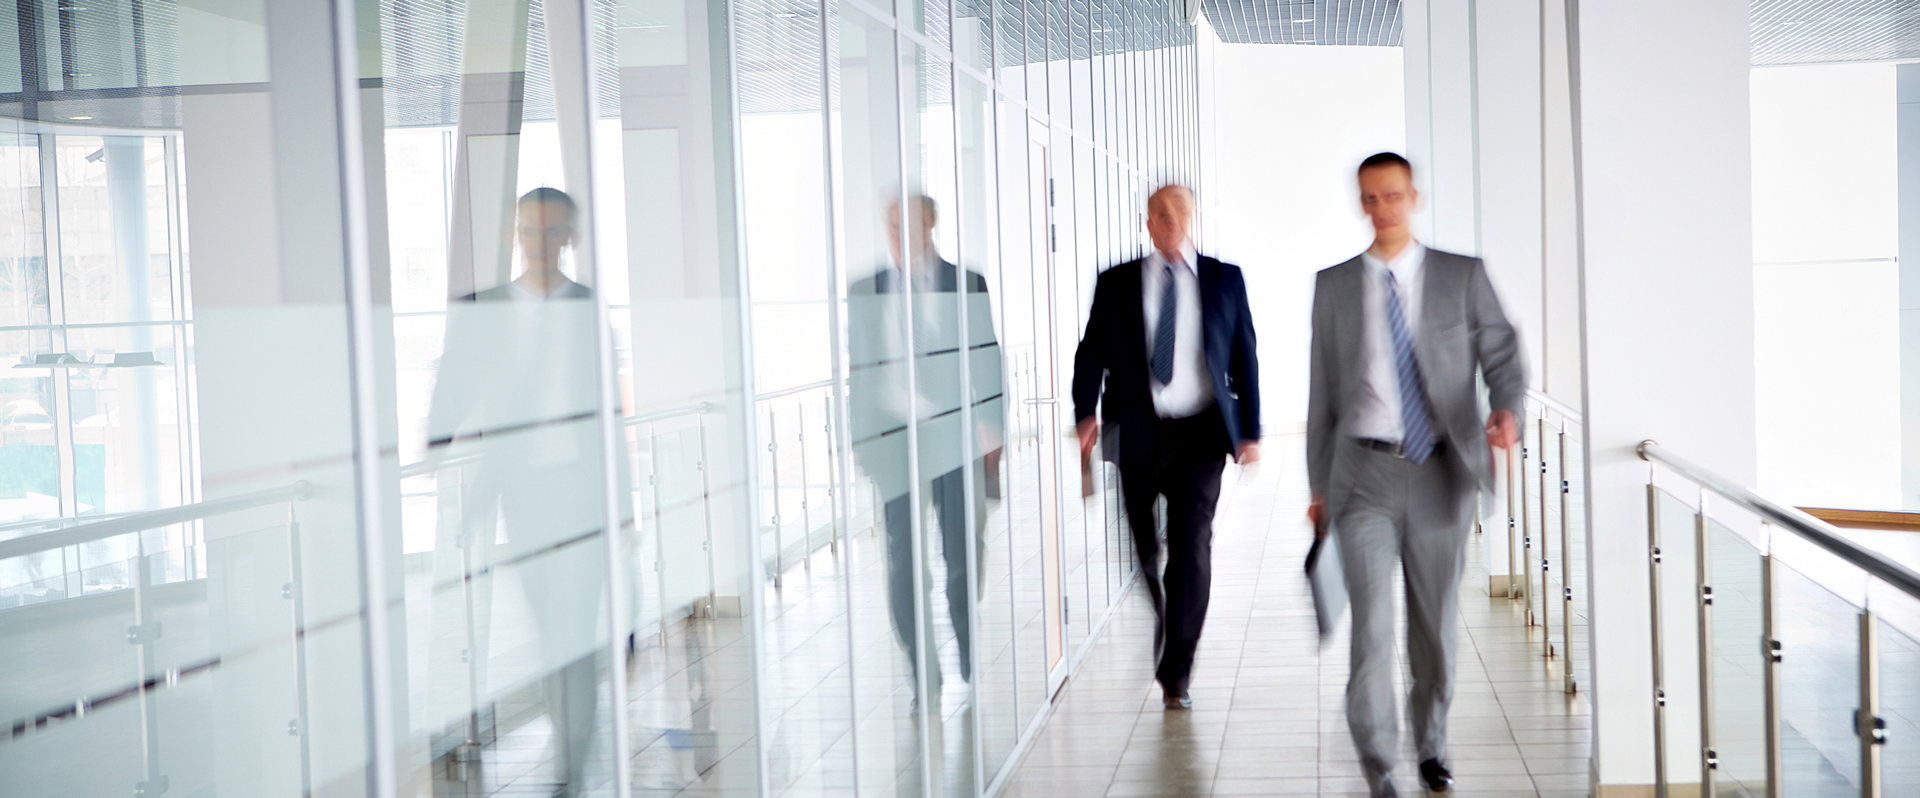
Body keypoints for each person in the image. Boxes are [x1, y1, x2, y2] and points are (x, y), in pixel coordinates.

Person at [1306, 153, 1525, 797]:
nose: (1383, 208)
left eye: (1394, 195)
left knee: (1433, 628)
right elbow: (1321, 395)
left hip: (1440, 474)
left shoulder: (1462, 275)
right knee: (1371, 628)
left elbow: (1502, 353)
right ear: (1361, 203)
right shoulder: (1334, 286)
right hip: (1363, 476)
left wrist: (1506, 408)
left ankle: (1432, 744)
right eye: (1371, 198)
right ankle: (1378, 762)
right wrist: (1318, 486)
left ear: (1415, 197)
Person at [427, 187, 610, 797]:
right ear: (515, 235)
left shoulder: (587, 308)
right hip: (523, 495)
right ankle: (570, 740)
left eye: (552, 231)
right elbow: (453, 381)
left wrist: (623, 509)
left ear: (570, 238)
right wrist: (433, 449)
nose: (538, 243)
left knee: (574, 627)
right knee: (550, 624)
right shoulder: (485, 309)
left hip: (581, 492)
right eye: (529, 230)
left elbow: (608, 416)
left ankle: (571, 762)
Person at [1070, 183, 1260, 710]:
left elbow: (1245, 353)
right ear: (1148, 223)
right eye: (1160, 212)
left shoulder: (1224, 278)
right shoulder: (1116, 282)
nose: (1170, 219)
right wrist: (1085, 413)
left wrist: (1250, 429)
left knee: (1192, 548)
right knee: (1146, 553)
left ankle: (1177, 668)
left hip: (1200, 435)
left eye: (1178, 210)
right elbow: (1091, 352)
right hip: (1138, 433)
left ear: (1191, 216)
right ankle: (1160, 607)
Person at [847, 194, 1003, 711]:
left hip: (955, 436)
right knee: (904, 564)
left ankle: (965, 644)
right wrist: (861, 441)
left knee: (962, 553)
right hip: (895, 442)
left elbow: (987, 356)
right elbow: (859, 370)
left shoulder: (966, 282)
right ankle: (923, 673)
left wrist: (992, 425)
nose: (897, 235)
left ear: (930, 224)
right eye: (890, 225)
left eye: (907, 224)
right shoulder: (865, 289)